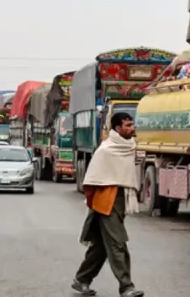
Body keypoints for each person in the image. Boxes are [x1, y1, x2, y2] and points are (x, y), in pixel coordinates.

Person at [71, 112, 144, 297]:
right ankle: (126, 287)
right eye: (127, 125)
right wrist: (96, 202)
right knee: (117, 243)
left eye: (132, 124)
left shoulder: (129, 146)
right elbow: (91, 179)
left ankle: (81, 280)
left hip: (121, 198)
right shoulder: (106, 149)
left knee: (102, 246)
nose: (132, 128)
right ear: (118, 128)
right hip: (106, 200)